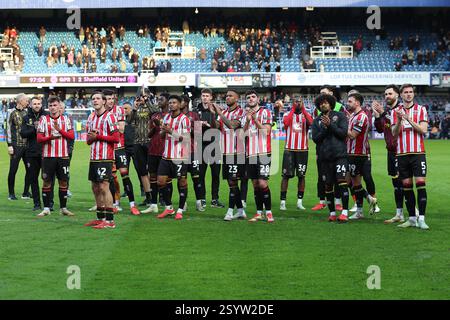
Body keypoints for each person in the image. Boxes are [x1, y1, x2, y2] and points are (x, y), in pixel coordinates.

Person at [392, 84, 429, 230]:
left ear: (413, 94)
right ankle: (412, 218)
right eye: (405, 92)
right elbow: (394, 133)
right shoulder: (395, 111)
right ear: (401, 95)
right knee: (407, 187)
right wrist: (400, 120)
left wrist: (408, 119)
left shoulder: (421, 110)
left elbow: (423, 130)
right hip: (402, 154)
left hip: (418, 153)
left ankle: (422, 219)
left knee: (420, 184)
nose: (408, 94)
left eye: (410, 92)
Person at [311, 94, 350, 222]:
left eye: (326, 102)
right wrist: (326, 128)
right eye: (321, 103)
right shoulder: (316, 121)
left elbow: (343, 134)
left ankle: (344, 212)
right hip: (325, 158)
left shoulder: (340, 116)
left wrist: (330, 125)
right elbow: (315, 139)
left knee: (342, 181)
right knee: (328, 185)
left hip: (339, 156)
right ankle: (332, 213)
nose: (323, 104)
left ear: (331, 104)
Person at [84, 92, 120, 229]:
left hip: (106, 157)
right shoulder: (91, 117)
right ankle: (100, 218)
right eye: (93, 99)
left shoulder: (110, 117)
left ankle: (110, 221)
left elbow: (116, 138)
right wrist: (92, 138)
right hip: (94, 157)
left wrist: (99, 137)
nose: (95, 100)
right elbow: (88, 141)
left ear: (104, 101)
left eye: (98, 98)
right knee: (95, 187)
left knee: (104, 186)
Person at [372, 85, 406, 223]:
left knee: (404, 183)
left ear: (397, 95)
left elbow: (399, 126)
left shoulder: (402, 110)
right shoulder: (386, 111)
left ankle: (413, 211)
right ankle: (399, 214)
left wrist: (383, 113)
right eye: (385, 94)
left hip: (401, 151)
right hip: (390, 151)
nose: (387, 96)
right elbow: (380, 129)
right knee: (396, 184)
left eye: (390, 93)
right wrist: (377, 116)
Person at [36, 96, 75, 217]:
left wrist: (60, 130)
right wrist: (50, 137)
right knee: (46, 182)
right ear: (48, 107)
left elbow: (72, 136)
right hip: (48, 156)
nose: (53, 108)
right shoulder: (44, 119)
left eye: (55, 105)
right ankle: (46, 208)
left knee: (63, 182)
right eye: (51, 106)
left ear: (59, 106)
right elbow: (39, 139)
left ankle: (63, 208)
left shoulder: (66, 119)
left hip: (63, 156)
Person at [211, 90, 247, 221]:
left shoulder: (241, 112)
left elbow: (232, 125)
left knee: (233, 181)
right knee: (231, 183)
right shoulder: (224, 113)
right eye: (226, 96)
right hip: (226, 152)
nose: (227, 97)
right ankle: (241, 210)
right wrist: (214, 114)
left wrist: (219, 113)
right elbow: (216, 127)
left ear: (237, 98)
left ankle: (230, 212)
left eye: (230, 95)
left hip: (237, 152)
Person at [155, 95, 191, 220]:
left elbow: (186, 138)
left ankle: (180, 210)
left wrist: (171, 132)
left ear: (180, 104)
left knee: (182, 182)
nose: (171, 105)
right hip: (166, 156)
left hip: (180, 156)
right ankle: (169, 208)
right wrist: (164, 131)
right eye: (170, 102)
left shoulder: (184, 119)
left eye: (174, 102)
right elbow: (160, 136)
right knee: (161, 182)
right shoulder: (166, 117)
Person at [105, 89, 140, 216]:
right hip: (107, 150)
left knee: (125, 175)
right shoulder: (100, 113)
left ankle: (132, 205)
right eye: (107, 99)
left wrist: (107, 127)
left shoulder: (119, 110)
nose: (110, 101)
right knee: (111, 178)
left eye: (111, 98)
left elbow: (121, 129)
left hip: (119, 148)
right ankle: (114, 204)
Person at [243, 90, 274, 223]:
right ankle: (258, 213)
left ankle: (269, 212)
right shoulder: (245, 115)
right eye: (248, 97)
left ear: (258, 99)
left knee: (262, 183)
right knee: (255, 184)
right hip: (250, 153)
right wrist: (247, 122)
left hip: (263, 153)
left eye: (253, 97)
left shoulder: (265, 112)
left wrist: (255, 119)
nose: (251, 99)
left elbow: (266, 132)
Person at [345, 93, 378, 220]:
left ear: (357, 103)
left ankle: (366, 203)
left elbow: (353, 135)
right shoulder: (353, 115)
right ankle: (363, 206)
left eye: (350, 101)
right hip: (352, 153)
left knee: (353, 182)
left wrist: (340, 127)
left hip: (357, 154)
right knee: (354, 182)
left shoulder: (361, 117)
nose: (348, 103)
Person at [279, 97, 313, 211]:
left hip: (302, 150)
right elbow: (286, 124)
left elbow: (311, 123)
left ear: (303, 103)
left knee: (301, 176)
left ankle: (299, 202)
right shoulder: (287, 114)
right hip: (289, 149)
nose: (298, 103)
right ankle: (283, 202)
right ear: (292, 103)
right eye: (296, 101)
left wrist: (303, 109)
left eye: (300, 101)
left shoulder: (306, 114)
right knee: (285, 176)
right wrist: (293, 109)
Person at [129, 87, 160, 207]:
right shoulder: (136, 107)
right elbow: (129, 121)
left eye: (143, 96)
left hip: (150, 141)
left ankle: (159, 196)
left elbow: (155, 113)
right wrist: (134, 109)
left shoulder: (152, 106)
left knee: (153, 171)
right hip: (137, 142)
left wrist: (147, 101)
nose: (141, 98)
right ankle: (148, 196)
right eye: (140, 96)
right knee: (142, 171)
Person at [194, 88, 224, 209]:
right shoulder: (196, 111)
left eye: (207, 96)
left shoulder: (217, 110)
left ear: (211, 97)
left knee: (215, 174)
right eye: (203, 95)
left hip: (214, 145)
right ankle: (202, 199)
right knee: (200, 174)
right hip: (201, 145)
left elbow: (217, 127)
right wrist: (199, 124)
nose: (205, 98)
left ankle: (214, 199)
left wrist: (212, 116)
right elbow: (194, 131)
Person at [142, 93, 170, 214]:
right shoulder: (154, 115)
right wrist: (154, 127)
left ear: (168, 101)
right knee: (152, 177)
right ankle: (154, 204)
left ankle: (167, 204)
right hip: (153, 150)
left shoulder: (171, 116)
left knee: (165, 179)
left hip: (165, 150)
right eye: (158, 99)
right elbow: (149, 134)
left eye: (161, 99)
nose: (158, 101)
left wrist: (161, 126)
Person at [20, 96, 48, 211]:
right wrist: (34, 129)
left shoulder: (47, 116)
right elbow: (23, 133)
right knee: (33, 179)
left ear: (41, 104)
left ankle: (48, 204)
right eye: (34, 103)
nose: (37, 105)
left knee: (47, 179)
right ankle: (37, 204)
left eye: (39, 103)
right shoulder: (26, 118)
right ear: (30, 105)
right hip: (31, 153)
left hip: (45, 152)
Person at [180, 94, 204, 212]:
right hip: (179, 152)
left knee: (196, 177)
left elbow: (199, 133)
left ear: (185, 102)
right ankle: (183, 203)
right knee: (181, 178)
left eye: (181, 101)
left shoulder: (194, 115)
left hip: (193, 150)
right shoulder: (175, 116)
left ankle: (199, 202)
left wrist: (189, 128)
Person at [6, 93, 31, 200]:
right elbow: (7, 128)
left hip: (27, 146)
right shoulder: (11, 112)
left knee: (30, 169)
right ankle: (11, 194)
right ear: (20, 101)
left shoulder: (27, 112)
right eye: (26, 100)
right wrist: (9, 145)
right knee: (13, 169)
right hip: (16, 146)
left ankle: (25, 193)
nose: (27, 102)